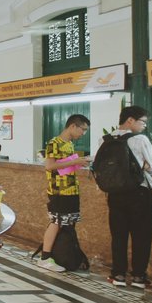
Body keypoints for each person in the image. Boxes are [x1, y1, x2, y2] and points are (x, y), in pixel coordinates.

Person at [105, 106, 152, 288]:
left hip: (116, 194)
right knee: (141, 236)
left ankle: (118, 275)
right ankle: (139, 277)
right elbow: (151, 166)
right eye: (142, 122)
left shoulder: (108, 139)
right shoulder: (140, 139)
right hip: (139, 194)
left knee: (118, 236)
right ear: (130, 121)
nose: (144, 126)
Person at [39, 113, 91, 272]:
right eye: (83, 130)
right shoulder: (54, 143)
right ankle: (45, 257)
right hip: (58, 190)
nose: (83, 134)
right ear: (73, 126)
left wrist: (81, 164)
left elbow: (66, 166)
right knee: (56, 222)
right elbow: (49, 166)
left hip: (71, 189)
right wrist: (75, 161)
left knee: (67, 224)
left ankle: (63, 255)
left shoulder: (69, 144)